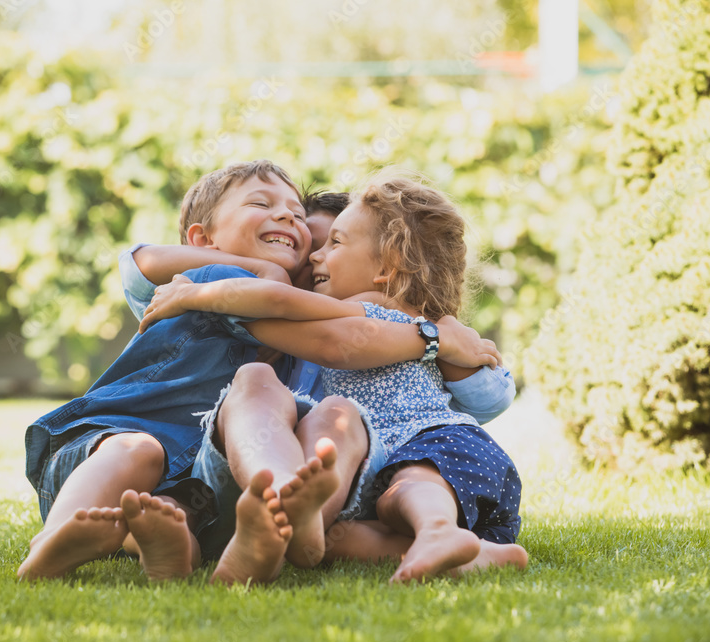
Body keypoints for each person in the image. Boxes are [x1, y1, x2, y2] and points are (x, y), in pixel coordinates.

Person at [18, 160, 501, 583]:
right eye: (264, 206)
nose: (310, 257)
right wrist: (433, 338)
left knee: (182, 510)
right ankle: (54, 539)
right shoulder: (210, 279)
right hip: (115, 443)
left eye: (324, 246)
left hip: (198, 478)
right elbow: (142, 264)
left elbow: (483, 391)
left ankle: (175, 551)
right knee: (139, 450)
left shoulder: (310, 339)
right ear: (203, 240)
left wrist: (439, 340)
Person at [139, 168, 528, 582]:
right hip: (386, 470)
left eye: (334, 244)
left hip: (431, 444)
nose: (316, 257)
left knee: (412, 486)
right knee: (339, 539)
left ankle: (437, 530)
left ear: (387, 267)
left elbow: (281, 304)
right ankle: (474, 554)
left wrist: (195, 295)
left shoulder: (377, 303)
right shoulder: (403, 317)